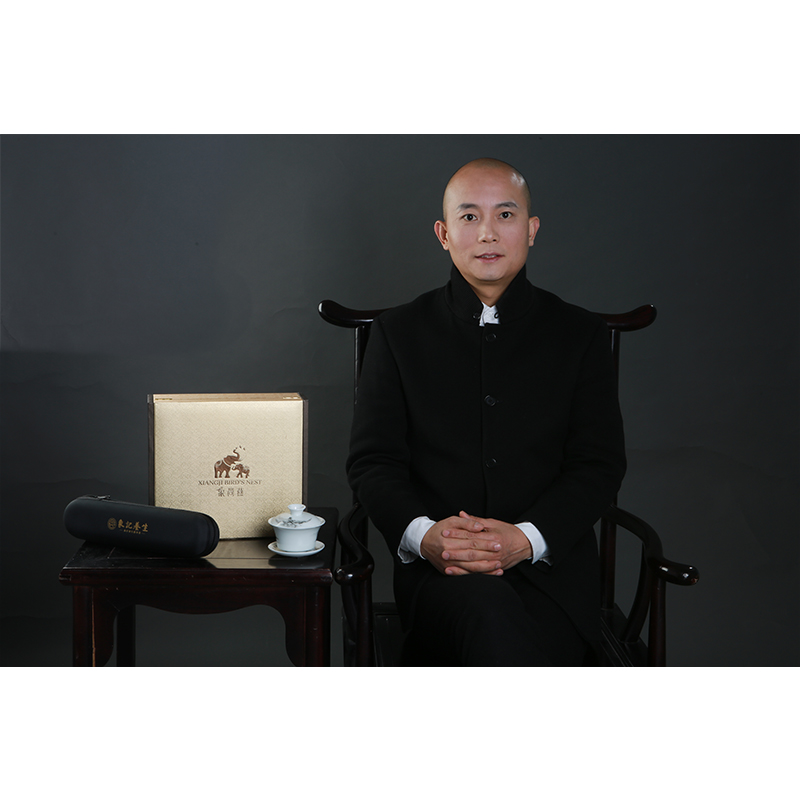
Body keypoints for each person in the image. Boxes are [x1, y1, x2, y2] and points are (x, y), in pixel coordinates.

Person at [346, 158, 626, 666]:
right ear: (443, 234)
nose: (488, 233)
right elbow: (373, 463)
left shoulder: (579, 335)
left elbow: (598, 465)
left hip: (552, 576)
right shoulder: (398, 334)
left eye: (506, 215)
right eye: (470, 216)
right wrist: (426, 537)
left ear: (532, 230)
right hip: (442, 574)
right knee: (489, 619)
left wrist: (526, 539)